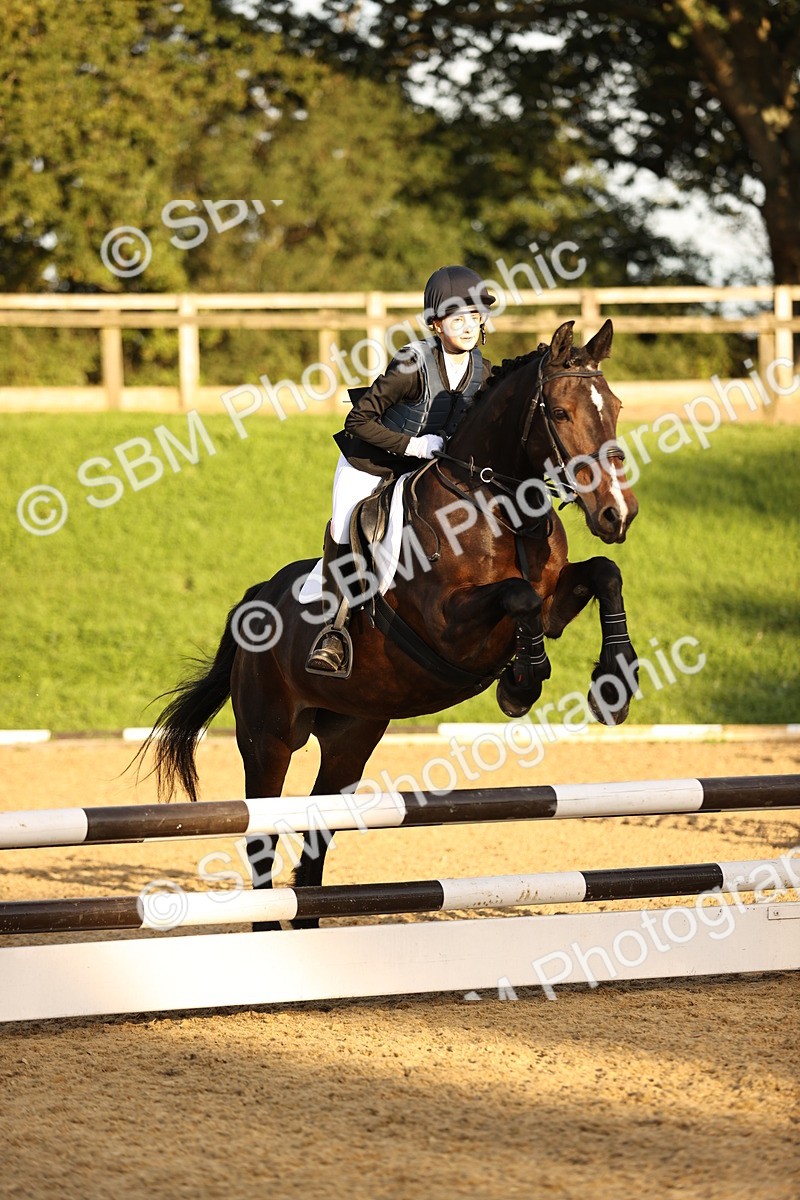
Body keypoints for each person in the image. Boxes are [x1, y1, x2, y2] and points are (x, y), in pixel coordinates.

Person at [306, 264, 496, 676]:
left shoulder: (482, 371)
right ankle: (333, 631)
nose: (467, 325)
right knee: (345, 526)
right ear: (435, 323)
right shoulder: (412, 364)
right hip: (372, 462)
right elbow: (357, 421)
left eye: (474, 315)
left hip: (425, 472)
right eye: (457, 316)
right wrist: (414, 444)